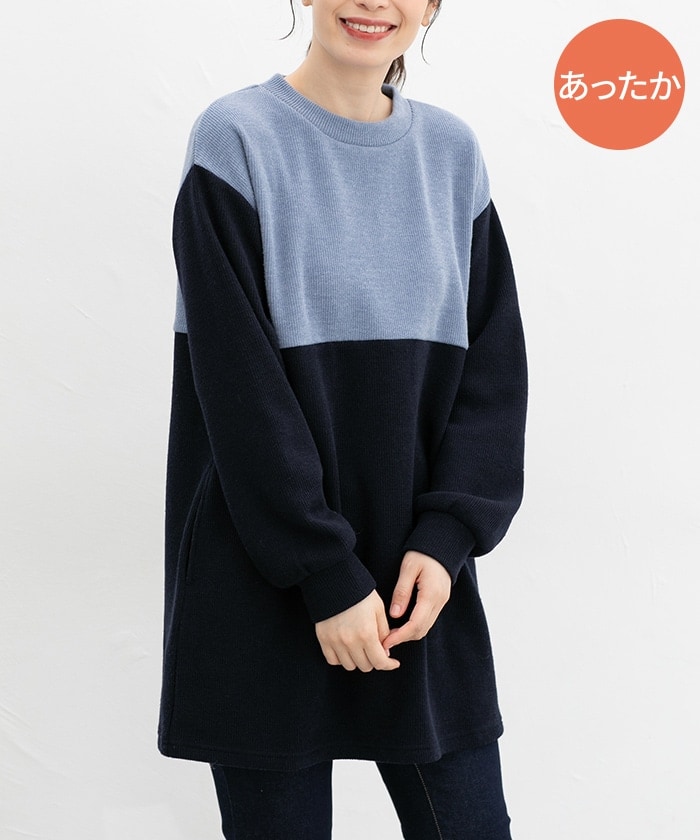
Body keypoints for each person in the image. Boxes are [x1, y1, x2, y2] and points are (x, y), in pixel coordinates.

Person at [157, 0, 528, 837]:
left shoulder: (452, 153)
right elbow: (239, 388)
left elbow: (494, 371)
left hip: (415, 582)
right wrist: (324, 571)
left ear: (430, 6)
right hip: (264, 579)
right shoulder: (236, 138)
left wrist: (448, 538)